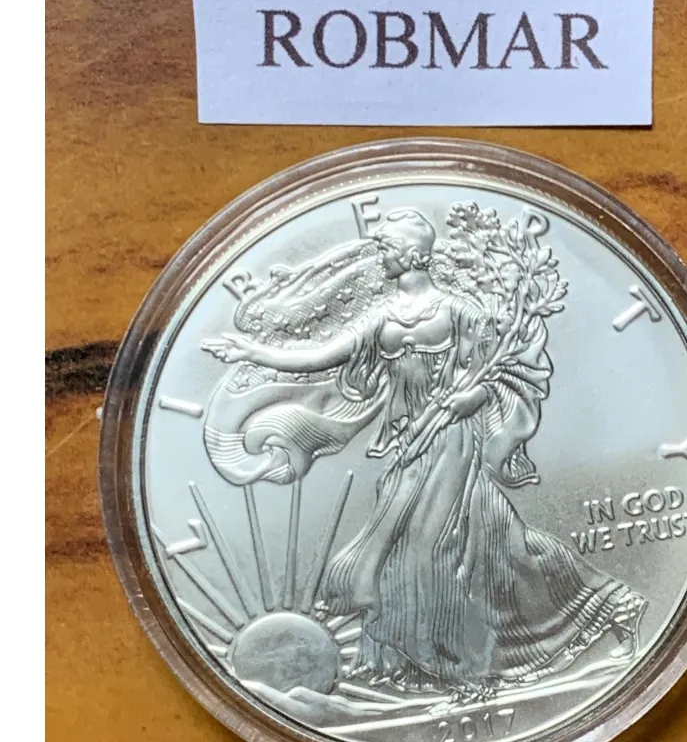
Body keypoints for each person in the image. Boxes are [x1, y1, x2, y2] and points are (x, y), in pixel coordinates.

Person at [203, 208, 645, 697]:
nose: (382, 256)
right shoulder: (381, 317)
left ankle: (465, 671)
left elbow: (507, 371)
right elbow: (318, 357)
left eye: (389, 247)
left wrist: (472, 397)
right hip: (410, 440)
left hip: (453, 437)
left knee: (432, 546)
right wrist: (252, 352)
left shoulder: (459, 311)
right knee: (486, 541)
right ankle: (431, 660)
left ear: (414, 255)